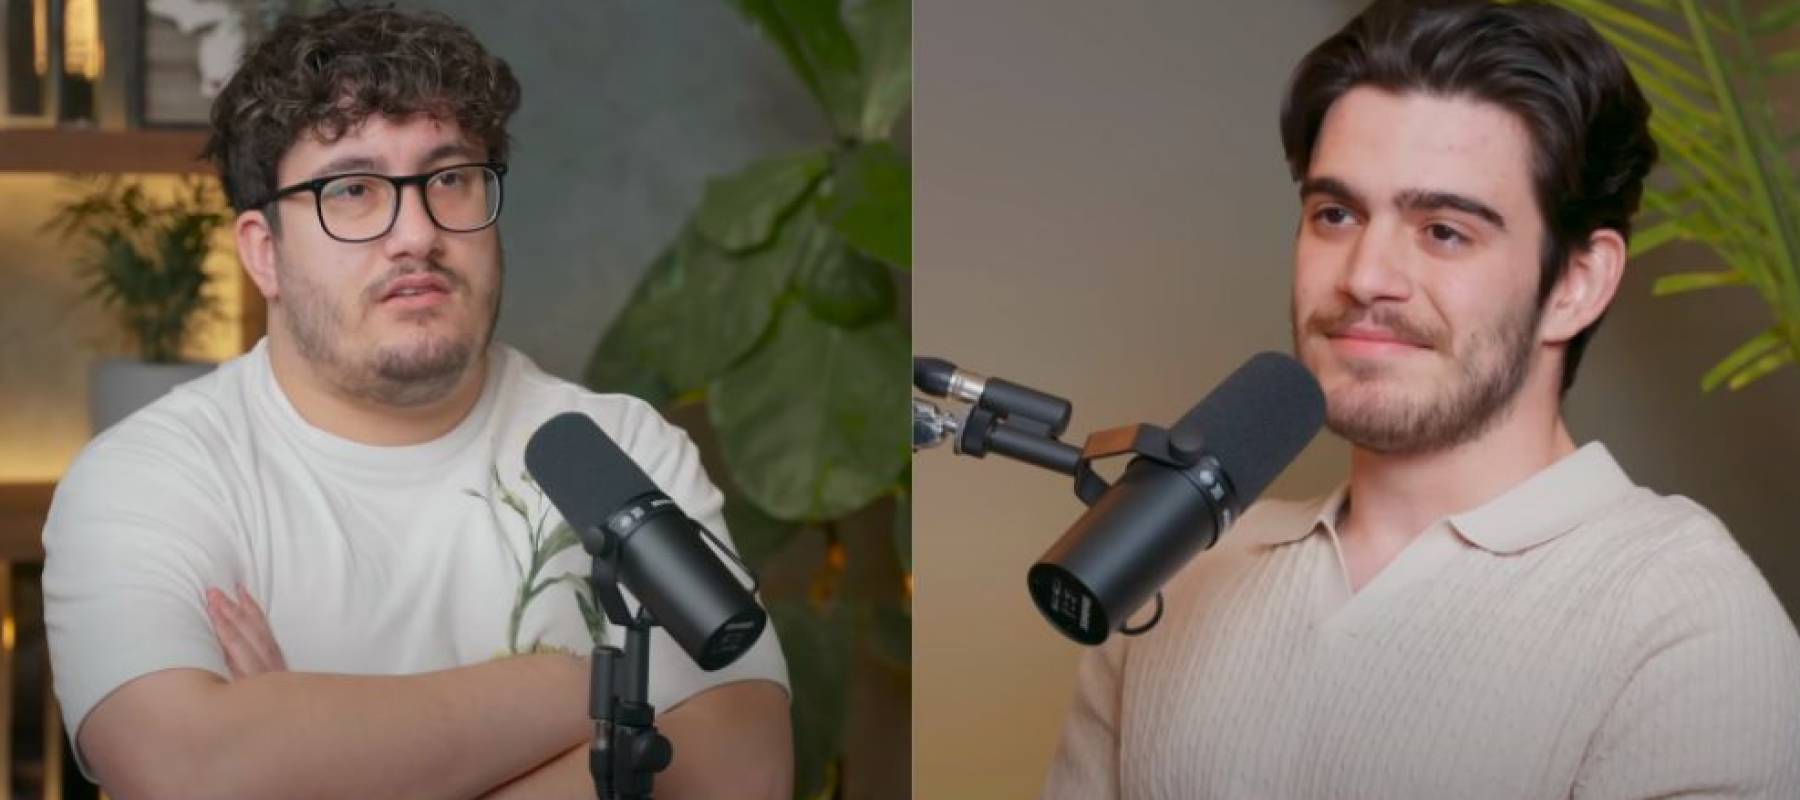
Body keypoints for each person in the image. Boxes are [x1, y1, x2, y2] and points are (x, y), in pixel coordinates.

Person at [1042, 1, 1800, 797]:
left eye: (1444, 230)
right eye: (1335, 214)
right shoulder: (1181, 566)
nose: (1365, 276)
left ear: (1577, 283)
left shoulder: (1680, 616)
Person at [42, 7, 791, 799]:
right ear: (264, 252)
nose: (415, 233)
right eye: (355, 189)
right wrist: (591, 693)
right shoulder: (150, 478)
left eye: (450, 179)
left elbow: (738, 771)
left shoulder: (615, 448)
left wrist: (310, 751)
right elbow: (191, 768)